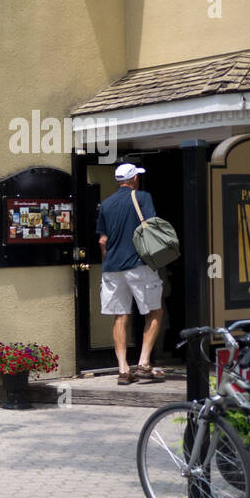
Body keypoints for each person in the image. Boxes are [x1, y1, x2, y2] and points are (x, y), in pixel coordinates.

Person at [97, 162, 166, 385]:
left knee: (120, 316)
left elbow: (103, 240)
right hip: (138, 263)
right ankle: (144, 363)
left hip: (112, 269)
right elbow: (152, 227)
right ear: (134, 178)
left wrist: (110, 259)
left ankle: (123, 369)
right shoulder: (142, 197)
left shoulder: (106, 204)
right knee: (154, 311)